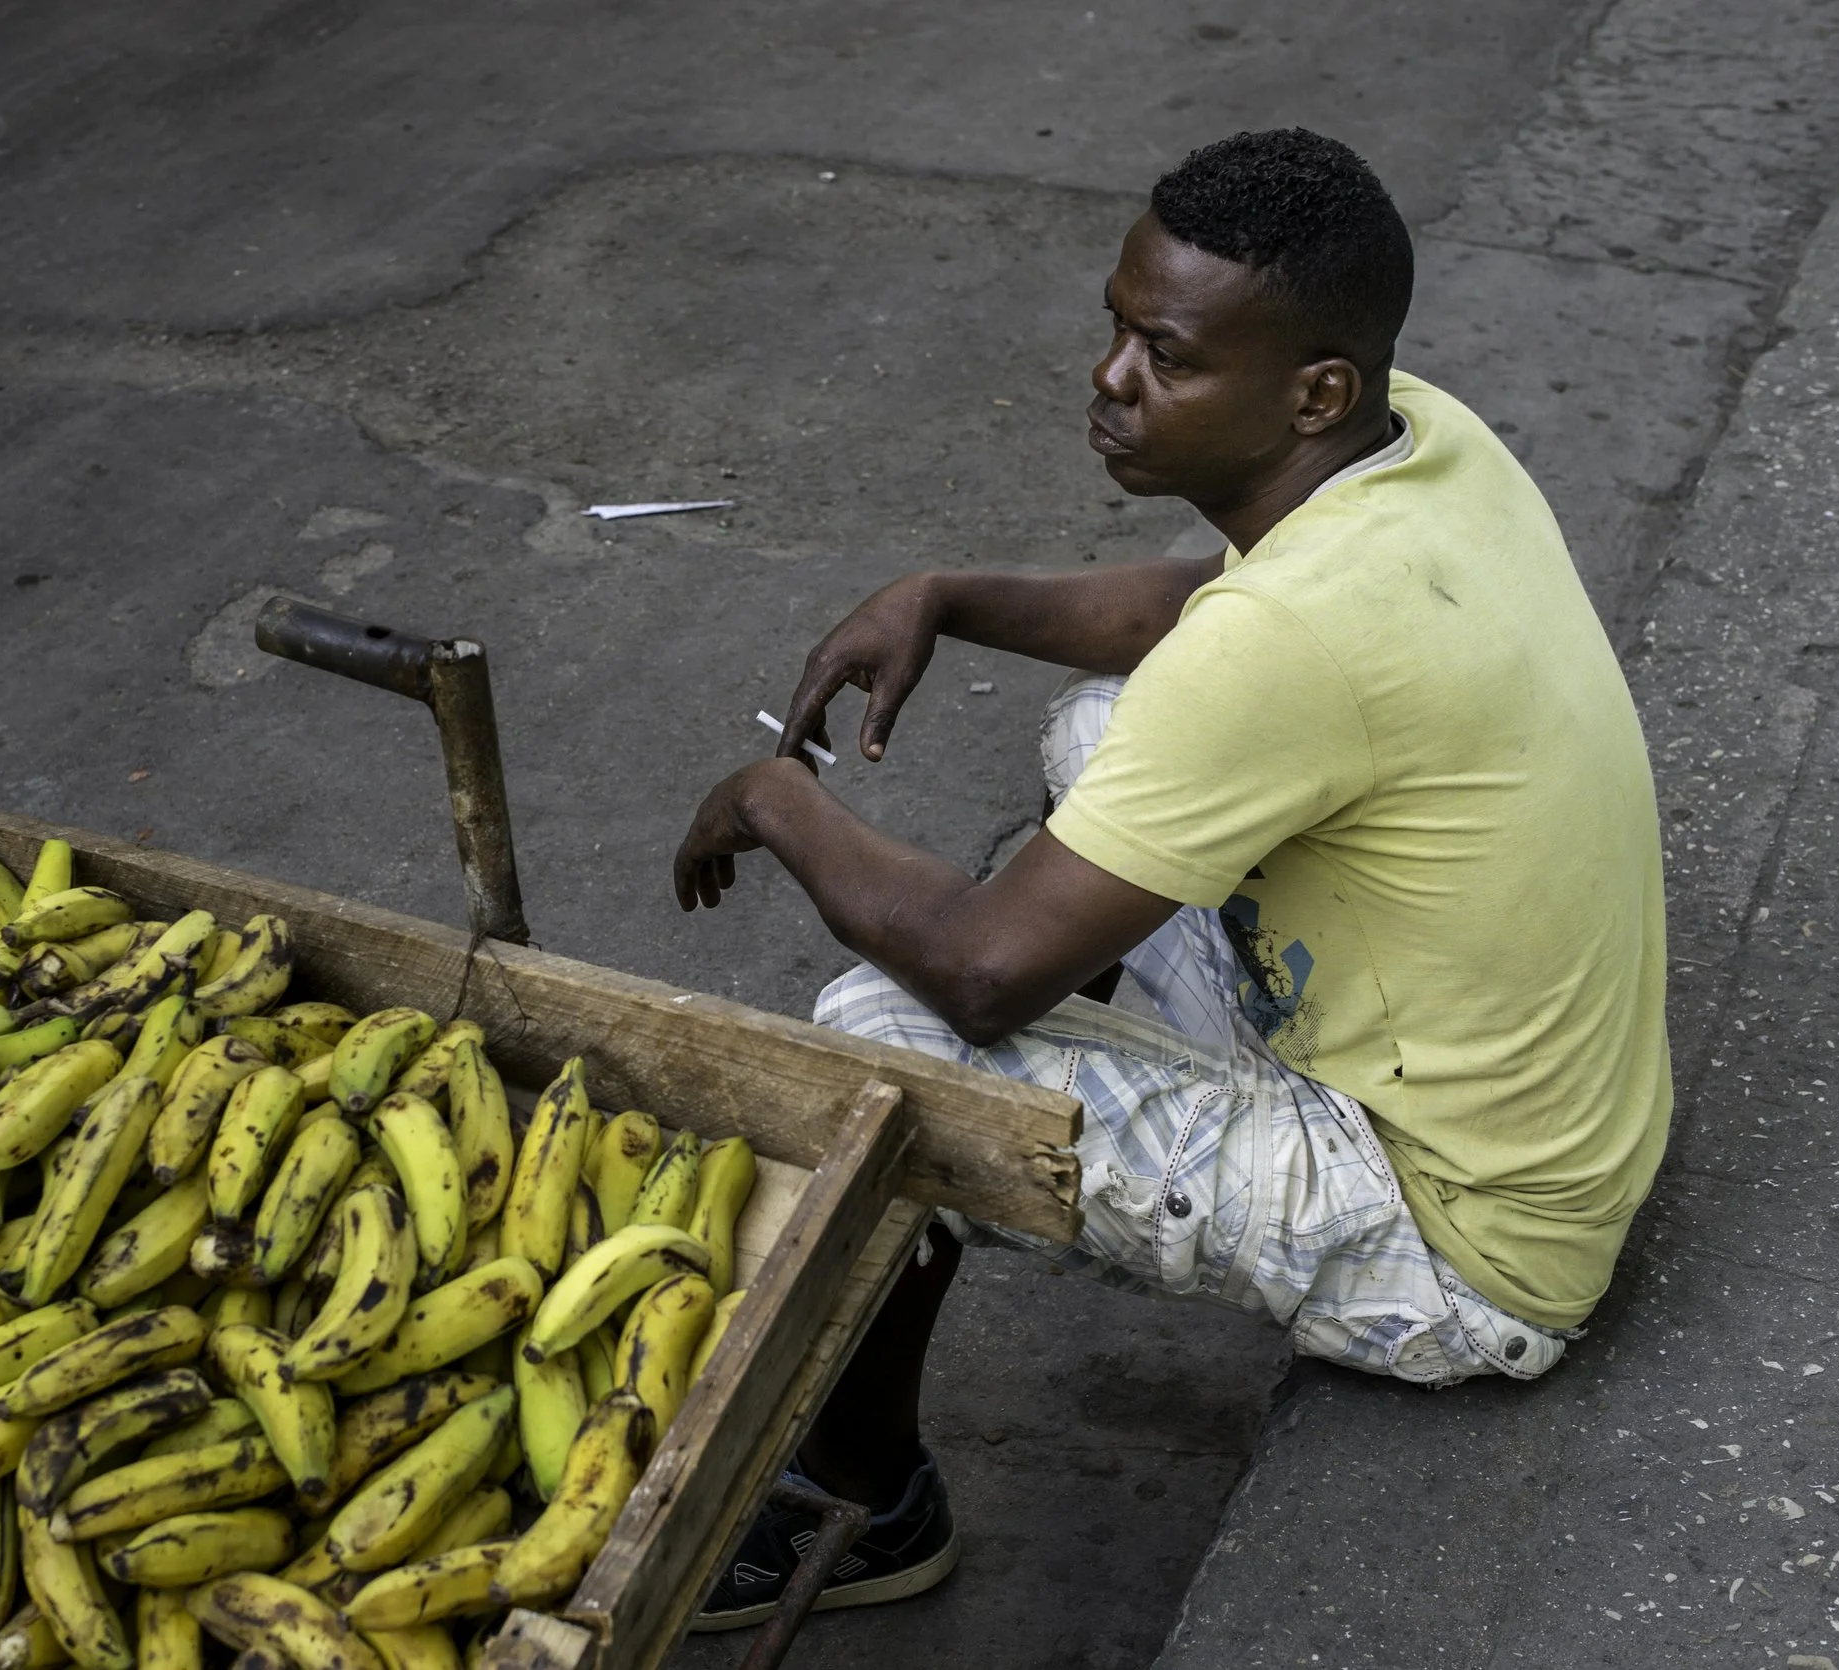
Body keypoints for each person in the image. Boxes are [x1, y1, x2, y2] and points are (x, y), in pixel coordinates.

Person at [671, 128, 1672, 1629]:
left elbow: (982, 971)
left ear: (1313, 393)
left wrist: (772, 799)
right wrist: (947, 594)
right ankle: (1094, 1063)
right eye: (1117, 328)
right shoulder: (1420, 441)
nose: (1111, 376)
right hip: (1522, 1111)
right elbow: (1201, 611)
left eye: (1167, 355)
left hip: (1464, 1242)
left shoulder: (1293, 641)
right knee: (1105, 731)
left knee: (880, 1049)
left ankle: (861, 1504)